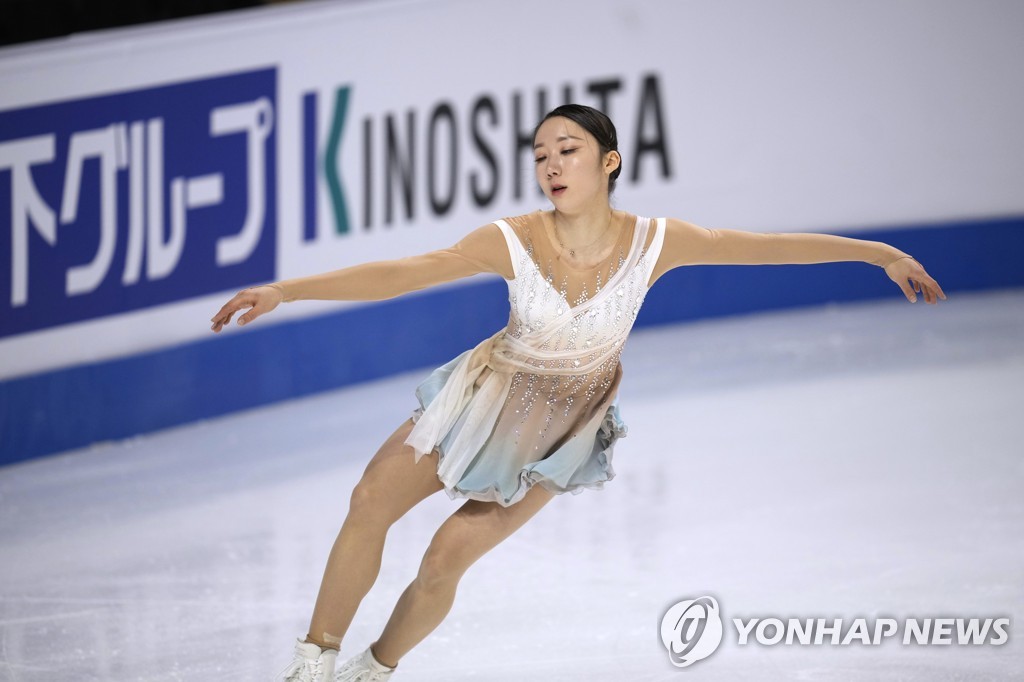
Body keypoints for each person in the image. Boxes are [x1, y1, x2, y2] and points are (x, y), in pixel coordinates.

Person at [210, 104, 945, 681]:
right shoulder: (515, 238)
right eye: (539, 155)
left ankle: (375, 670)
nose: (551, 165)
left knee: (445, 558)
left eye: (567, 150)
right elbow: (409, 269)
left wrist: (878, 254)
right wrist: (287, 289)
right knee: (371, 499)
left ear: (609, 160)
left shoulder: (660, 241)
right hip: (482, 401)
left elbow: (762, 246)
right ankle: (315, 662)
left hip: (559, 429)